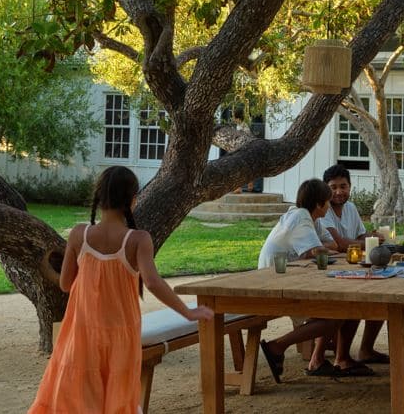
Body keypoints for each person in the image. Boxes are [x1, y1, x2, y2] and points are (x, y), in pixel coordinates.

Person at [29, 166, 213, 413]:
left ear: (98, 196)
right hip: (121, 335)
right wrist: (188, 312)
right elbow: (153, 282)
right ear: (132, 200)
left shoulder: (79, 234)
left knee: (77, 397)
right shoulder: (138, 240)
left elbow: (65, 284)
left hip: (82, 332)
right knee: (118, 399)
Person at [258, 179, 375, 381]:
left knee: (346, 304)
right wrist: (325, 248)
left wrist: (325, 248)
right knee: (337, 311)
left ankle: (320, 360)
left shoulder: (312, 218)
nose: (329, 205)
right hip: (274, 282)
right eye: (327, 201)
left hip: (290, 277)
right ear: (319, 204)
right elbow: (316, 251)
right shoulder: (300, 217)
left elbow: (330, 245)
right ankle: (277, 346)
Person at [319, 165, 389, 365]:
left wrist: (373, 237)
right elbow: (340, 244)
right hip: (327, 271)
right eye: (333, 187)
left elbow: (360, 235)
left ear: (350, 187)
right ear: (325, 189)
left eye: (343, 186)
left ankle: (366, 349)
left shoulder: (350, 208)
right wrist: (367, 242)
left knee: (380, 294)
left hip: (350, 266)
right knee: (353, 301)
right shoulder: (323, 210)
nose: (339, 192)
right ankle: (338, 357)